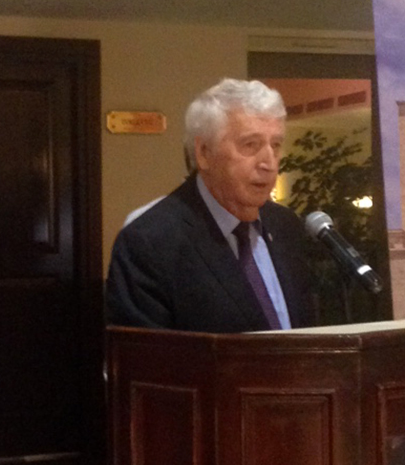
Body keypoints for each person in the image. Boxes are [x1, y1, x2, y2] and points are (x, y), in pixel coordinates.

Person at [105, 78, 315, 332]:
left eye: (276, 145)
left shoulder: (286, 226)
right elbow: (144, 354)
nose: (269, 163)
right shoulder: (150, 242)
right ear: (204, 153)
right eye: (251, 145)